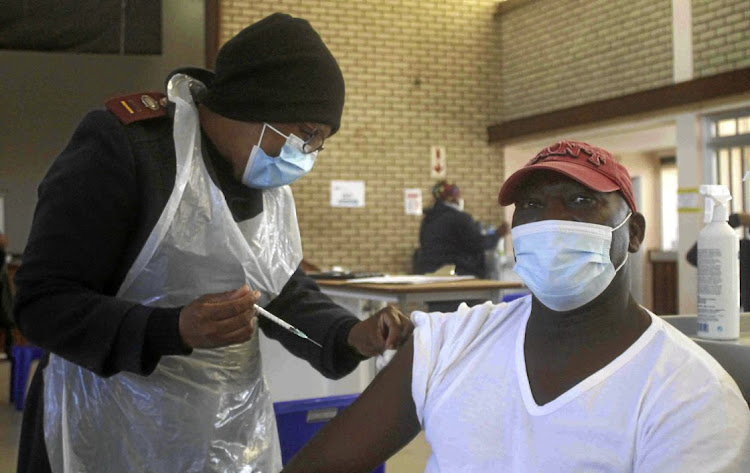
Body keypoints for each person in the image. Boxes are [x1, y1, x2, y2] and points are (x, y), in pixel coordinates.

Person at [13, 13, 413, 473]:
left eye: (318, 142)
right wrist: (173, 328)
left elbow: (279, 288)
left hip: (220, 435)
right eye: (307, 134)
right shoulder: (128, 148)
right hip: (105, 425)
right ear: (255, 101)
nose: (306, 155)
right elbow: (42, 303)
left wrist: (348, 335)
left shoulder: (264, 178)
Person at [281, 140, 750, 473]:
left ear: (633, 232)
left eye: (581, 201)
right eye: (530, 205)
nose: (550, 222)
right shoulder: (449, 344)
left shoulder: (691, 397)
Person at [414, 180, 508, 279]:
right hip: (459, 273)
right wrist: (497, 234)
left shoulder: (428, 219)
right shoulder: (460, 218)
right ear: (452, 197)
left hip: (429, 273)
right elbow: (478, 243)